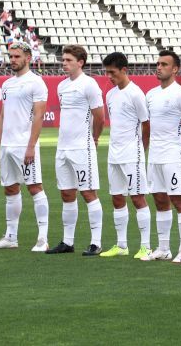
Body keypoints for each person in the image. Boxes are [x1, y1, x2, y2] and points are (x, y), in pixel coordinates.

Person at [0, 41, 50, 252]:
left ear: (28, 58)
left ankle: (43, 238)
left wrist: (31, 146)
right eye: (10, 56)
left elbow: (39, 116)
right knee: (10, 188)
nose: (12, 60)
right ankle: (11, 237)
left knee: (34, 187)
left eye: (16, 56)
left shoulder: (36, 82)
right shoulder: (7, 84)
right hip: (7, 146)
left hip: (24, 145)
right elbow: (3, 116)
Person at [45, 45, 106, 257]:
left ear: (80, 62)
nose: (64, 63)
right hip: (63, 147)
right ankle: (67, 241)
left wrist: (94, 138)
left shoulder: (89, 84)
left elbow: (100, 117)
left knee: (88, 193)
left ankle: (96, 243)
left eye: (69, 60)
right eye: (63, 60)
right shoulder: (61, 86)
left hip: (82, 147)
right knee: (67, 193)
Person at [99, 52, 153, 259]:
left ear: (124, 70)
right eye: (107, 73)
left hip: (132, 154)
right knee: (117, 198)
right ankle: (121, 245)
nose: (109, 77)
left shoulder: (136, 94)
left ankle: (146, 246)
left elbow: (146, 124)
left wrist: (142, 149)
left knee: (138, 198)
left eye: (112, 73)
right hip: (114, 154)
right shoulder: (111, 95)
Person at [144, 50, 181, 263]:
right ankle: (163, 248)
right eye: (158, 64)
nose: (159, 67)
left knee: (179, 200)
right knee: (159, 200)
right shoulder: (151, 95)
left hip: (174, 156)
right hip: (154, 156)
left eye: (164, 64)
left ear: (175, 69)